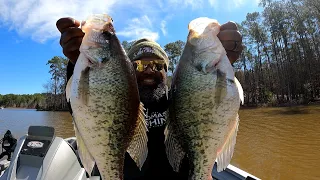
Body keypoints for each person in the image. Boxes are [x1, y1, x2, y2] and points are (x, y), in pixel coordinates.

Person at [56, 17, 243, 180]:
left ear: (166, 71)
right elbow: (84, 103)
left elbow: (215, 102)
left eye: (156, 64)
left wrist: (223, 62)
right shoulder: (120, 104)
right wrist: (76, 64)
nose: (148, 69)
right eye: (138, 65)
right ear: (125, 73)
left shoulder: (180, 104)